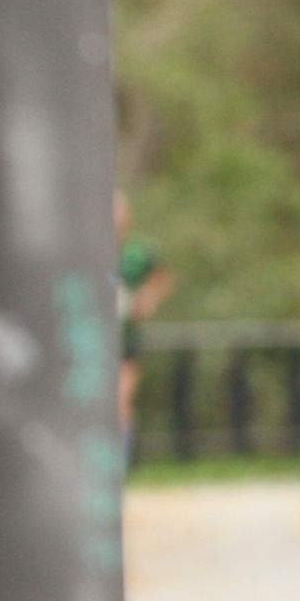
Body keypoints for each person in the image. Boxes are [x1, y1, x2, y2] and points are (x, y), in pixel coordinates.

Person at [115, 189, 174, 449]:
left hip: (125, 342)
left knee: (121, 401)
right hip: (92, 343)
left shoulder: (137, 253)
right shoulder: (86, 252)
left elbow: (162, 278)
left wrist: (148, 300)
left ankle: (119, 463)